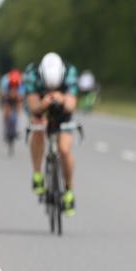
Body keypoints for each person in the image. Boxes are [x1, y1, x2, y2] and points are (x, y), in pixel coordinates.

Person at [22, 52, 79, 215]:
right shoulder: (32, 74)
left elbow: (71, 105)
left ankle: (68, 190)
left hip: (63, 113)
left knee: (64, 150)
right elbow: (33, 105)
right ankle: (37, 175)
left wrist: (62, 99)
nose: (51, 90)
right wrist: (43, 104)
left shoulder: (70, 72)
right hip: (40, 109)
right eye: (48, 87)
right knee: (38, 130)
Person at [0, 69, 24, 147]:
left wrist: (18, 97)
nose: (14, 86)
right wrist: (7, 96)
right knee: (6, 109)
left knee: (19, 105)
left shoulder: (20, 82)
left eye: (15, 84)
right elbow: (3, 94)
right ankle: (6, 128)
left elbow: (22, 95)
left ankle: (17, 128)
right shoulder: (5, 81)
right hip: (7, 97)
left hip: (16, 97)